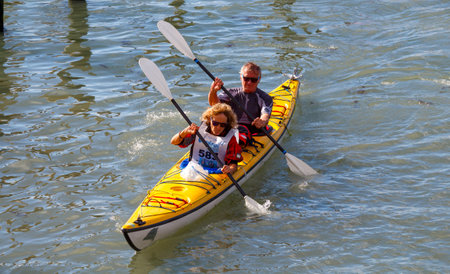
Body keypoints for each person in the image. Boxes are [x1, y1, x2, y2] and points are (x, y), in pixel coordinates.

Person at [171, 103, 243, 174]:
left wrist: (230, 169)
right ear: (209, 119)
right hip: (194, 167)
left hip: (216, 171)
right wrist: (184, 132)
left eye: (222, 125)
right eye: (215, 123)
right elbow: (174, 142)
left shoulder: (230, 139)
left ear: (227, 124)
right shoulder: (199, 132)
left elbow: (234, 164)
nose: (218, 127)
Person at [208, 62, 273, 137]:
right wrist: (213, 91)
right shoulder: (230, 93)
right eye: (246, 78)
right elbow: (214, 104)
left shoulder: (265, 98)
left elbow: (265, 115)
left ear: (259, 79)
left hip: (252, 132)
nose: (249, 82)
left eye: (253, 80)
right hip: (231, 129)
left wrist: (262, 122)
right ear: (241, 77)